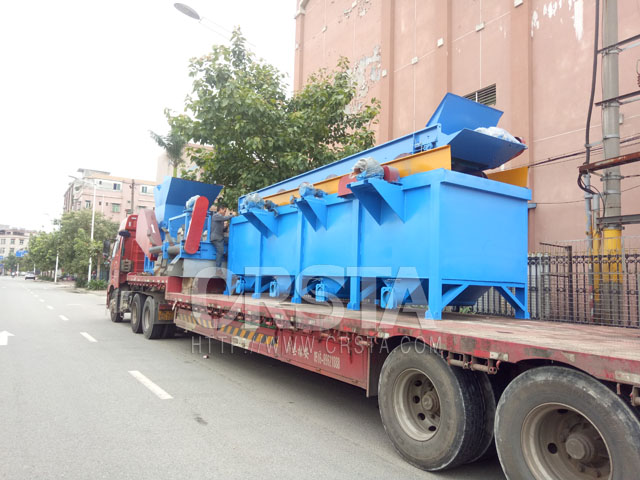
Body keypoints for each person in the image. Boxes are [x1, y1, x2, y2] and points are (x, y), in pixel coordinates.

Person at [210, 206, 233, 270]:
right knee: (220, 251)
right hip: (216, 238)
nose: (225, 213)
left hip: (220, 237)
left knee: (232, 241)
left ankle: (226, 254)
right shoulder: (216, 216)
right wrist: (232, 215)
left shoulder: (220, 219)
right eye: (224, 211)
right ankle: (218, 269)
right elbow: (224, 218)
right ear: (220, 209)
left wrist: (226, 227)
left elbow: (222, 230)